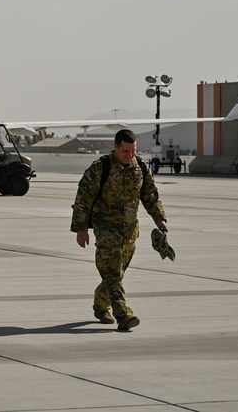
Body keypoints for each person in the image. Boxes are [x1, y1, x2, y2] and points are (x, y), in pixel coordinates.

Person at [71, 128, 168, 331]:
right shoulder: (100, 168)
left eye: (133, 151)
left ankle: (100, 305)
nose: (130, 155)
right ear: (114, 147)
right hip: (106, 228)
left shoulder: (140, 166)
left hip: (130, 231)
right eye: (126, 151)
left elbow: (150, 195)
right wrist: (81, 228)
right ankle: (123, 315)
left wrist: (159, 218)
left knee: (117, 274)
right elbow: (83, 199)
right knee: (113, 273)